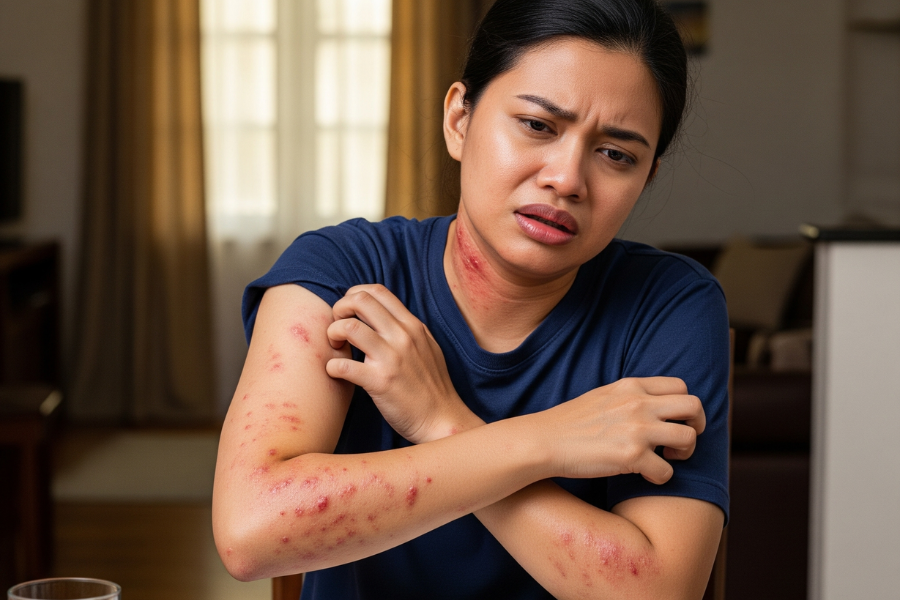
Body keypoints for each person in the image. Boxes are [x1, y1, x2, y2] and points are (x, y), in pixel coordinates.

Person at [212, 0, 730, 598]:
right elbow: (251, 531)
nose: (566, 178)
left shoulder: (671, 307)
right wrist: (547, 440)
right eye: (537, 125)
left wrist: (443, 421)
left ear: (646, 178)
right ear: (460, 119)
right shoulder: (342, 272)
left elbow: (657, 592)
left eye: (616, 154)